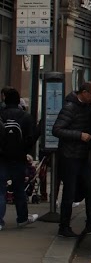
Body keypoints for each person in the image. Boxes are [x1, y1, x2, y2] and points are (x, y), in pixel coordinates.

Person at [52, 82, 91, 237]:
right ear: (84, 92)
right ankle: (64, 227)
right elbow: (57, 129)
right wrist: (79, 135)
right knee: (69, 193)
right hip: (69, 156)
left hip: (82, 156)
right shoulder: (70, 107)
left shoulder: (86, 108)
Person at [0, 88, 39, 229]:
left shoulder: (1, 115)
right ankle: (22, 218)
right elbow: (31, 138)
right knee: (19, 189)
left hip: (2, 157)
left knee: (1, 189)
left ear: (5, 99)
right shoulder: (26, 117)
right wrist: (26, 152)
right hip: (19, 157)